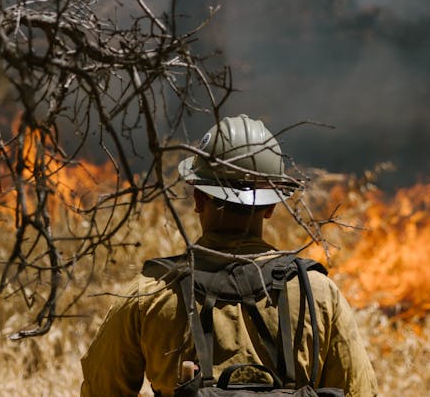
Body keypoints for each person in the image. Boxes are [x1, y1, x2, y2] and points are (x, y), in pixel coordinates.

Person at [79, 115, 377, 397]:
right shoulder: (319, 294)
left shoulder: (149, 295)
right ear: (271, 206)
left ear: (197, 199)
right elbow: (358, 390)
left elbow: (100, 389)